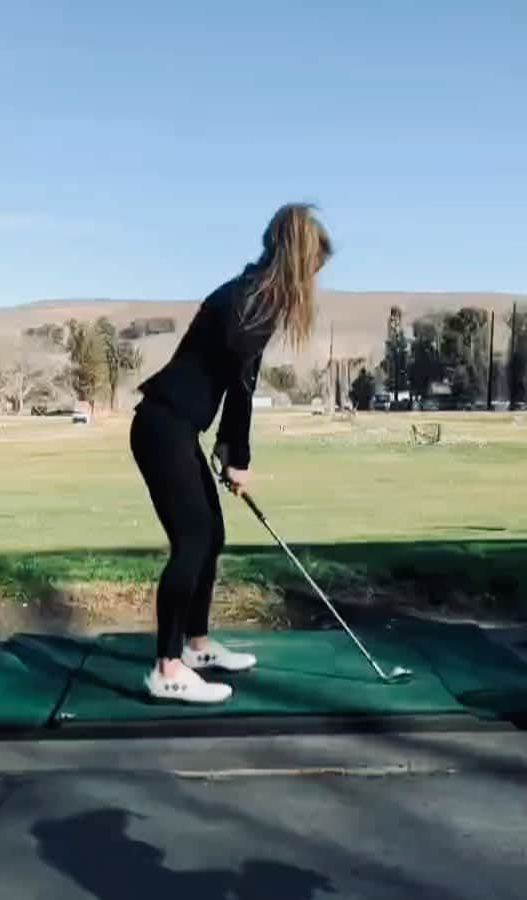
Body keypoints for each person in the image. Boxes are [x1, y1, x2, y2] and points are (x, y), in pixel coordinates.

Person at [130, 204, 333, 703]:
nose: (312, 282)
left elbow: (231, 379)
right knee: (193, 541)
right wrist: (238, 455)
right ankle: (167, 667)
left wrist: (224, 446)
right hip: (163, 426)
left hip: (178, 425)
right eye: (312, 271)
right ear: (297, 260)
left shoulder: (251, 296)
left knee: (211, 534)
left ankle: (196, 645)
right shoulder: (250, 303)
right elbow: (242, 388)